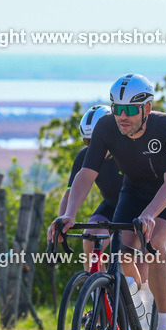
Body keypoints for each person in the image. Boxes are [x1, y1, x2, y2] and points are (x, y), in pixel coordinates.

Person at [49, 74, 166, 330]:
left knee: (155, 245)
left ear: (147, 108)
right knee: (121, 253)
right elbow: (85, 174)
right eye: (117, 109)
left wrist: (151, 215)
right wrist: (68, 214)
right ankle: (138, 309)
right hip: (135, 189)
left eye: (129, 110)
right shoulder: (107, 127)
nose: (122, 116)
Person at [53, 105, 124, 271]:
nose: (95, 146)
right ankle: (98, 291)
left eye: (99, 140)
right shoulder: (85, 156)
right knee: (90, 240)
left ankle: (138, 293)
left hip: (136, 206)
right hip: (111, 205)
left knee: (125, 253)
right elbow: (69, 193)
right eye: (88, 142)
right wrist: (61, 221)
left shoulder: (126, 151)